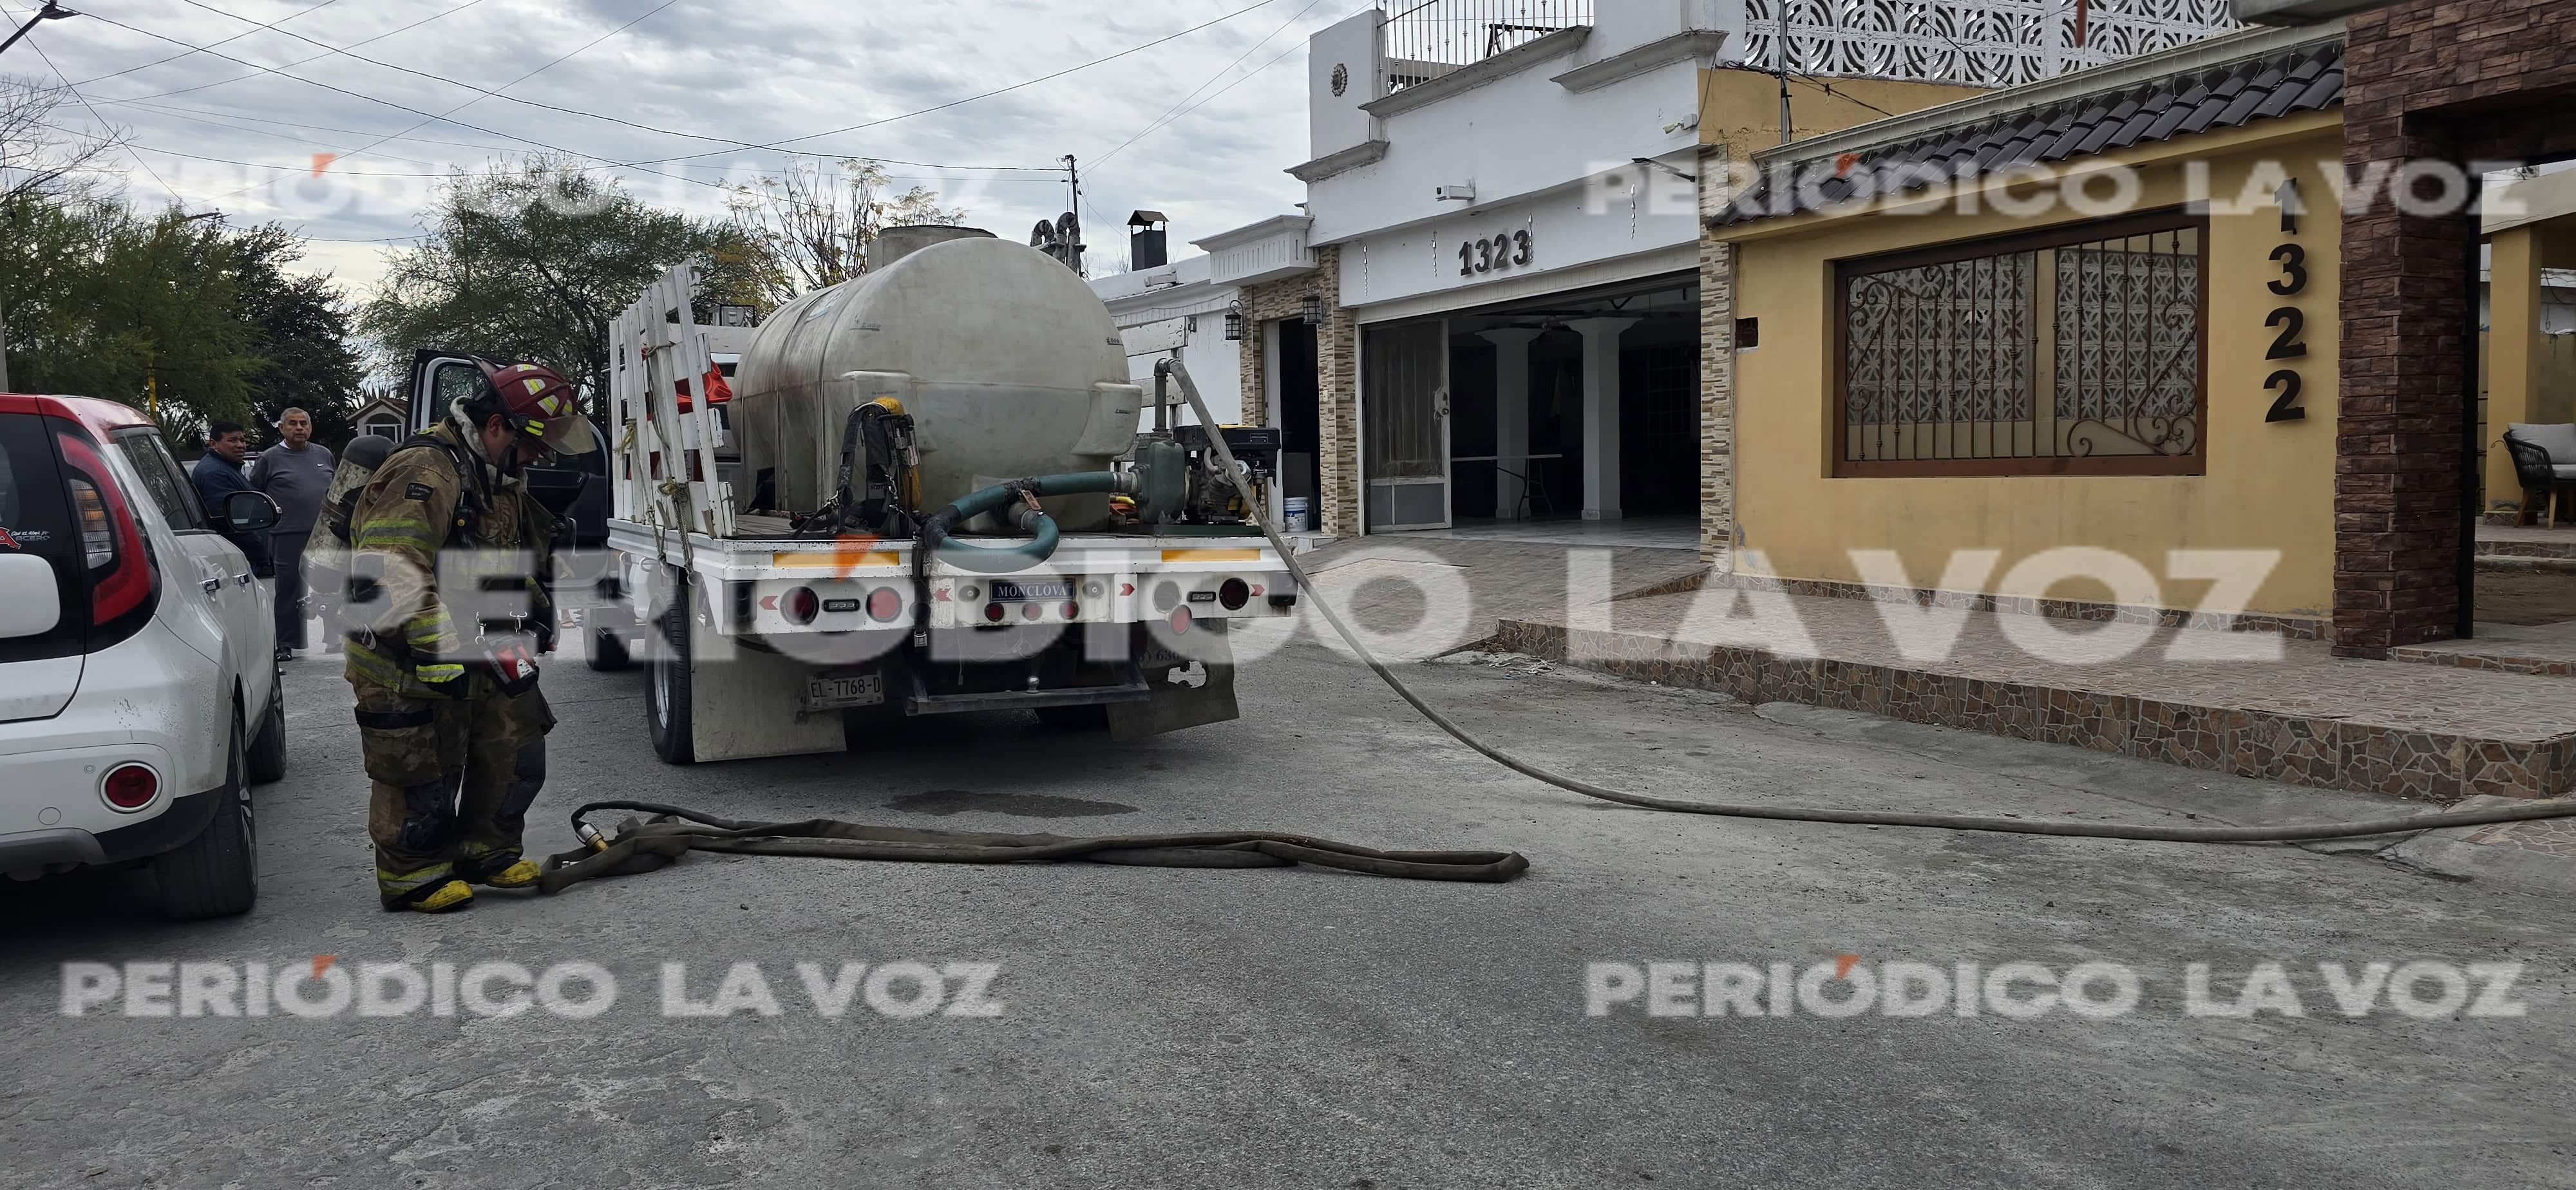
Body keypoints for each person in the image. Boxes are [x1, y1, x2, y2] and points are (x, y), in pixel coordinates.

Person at [342, 360, 596, 913]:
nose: (540, 458)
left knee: (515, 743)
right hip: (403, 654)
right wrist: (438, 652)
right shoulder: (428, 473)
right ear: (499, 426)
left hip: (477, 640)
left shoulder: (498, 476)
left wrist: (536, 609)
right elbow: (391, 570)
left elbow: (497, 555)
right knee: (419, 765)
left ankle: (488, 852)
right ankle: (415, 876)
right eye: (535, 444)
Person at [250, 408, 337, 660]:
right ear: (282, 428)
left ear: (310, 427)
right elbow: (256, 493)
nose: (299, 428)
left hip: (324, 535)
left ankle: (333, 638)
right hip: (287, 534)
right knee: (289, 590)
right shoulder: (270, 458)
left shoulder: (324, 455)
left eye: (304, 424)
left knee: (330, 587)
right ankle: (287, 643)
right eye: (292, 424)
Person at [189, 420, 271, 575]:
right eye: (232, 440)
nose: (240, 445)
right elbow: (229, 522)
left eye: (242, 440)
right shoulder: (215, 473)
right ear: (213, 444)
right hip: (236, 558)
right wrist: (261, 554)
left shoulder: (228, 467)